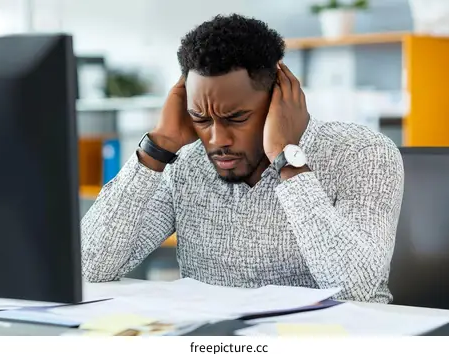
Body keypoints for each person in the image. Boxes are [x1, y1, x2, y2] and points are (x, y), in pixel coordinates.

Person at [81, 14, 404, 303]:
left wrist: (288, 161)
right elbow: (89, 266)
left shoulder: (361, 152)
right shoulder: (187, 165)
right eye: (201, 118)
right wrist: (158, 147)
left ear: (280, 99)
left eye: (236, 118)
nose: (217, 140)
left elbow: (357, 290)